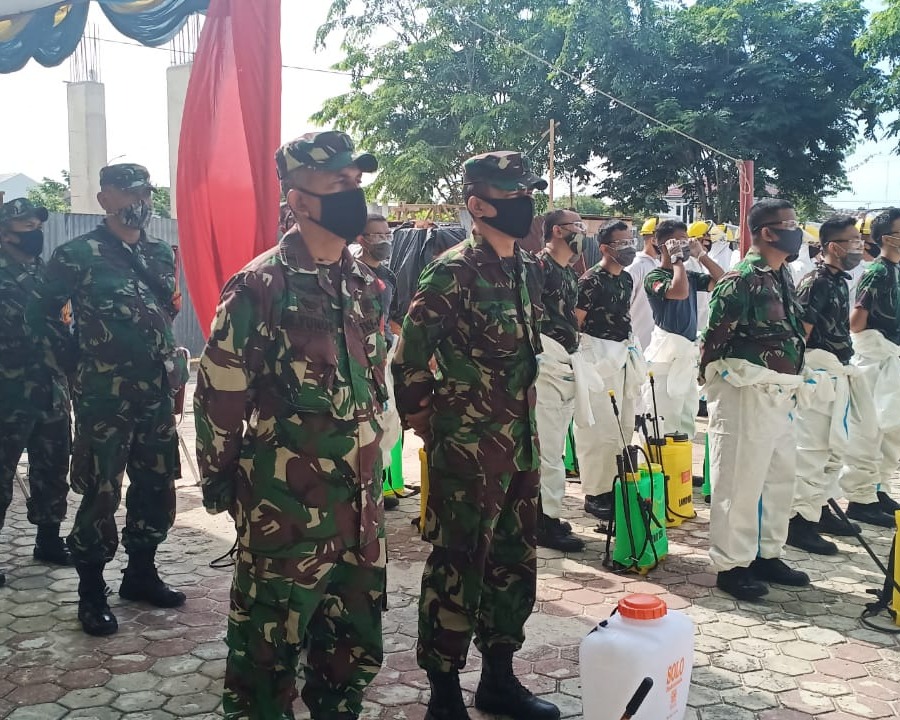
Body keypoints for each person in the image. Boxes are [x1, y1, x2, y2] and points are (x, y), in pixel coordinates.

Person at [195, 131, 388, 720]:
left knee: (351, 657)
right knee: (264, 663)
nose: (353, 195)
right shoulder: (261, 286)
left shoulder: (366, 287)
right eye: (338, 184)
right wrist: (221, 481)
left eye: (357, 183)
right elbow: (221, 393)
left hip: (361, 517)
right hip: (286, 517)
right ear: (300, 199)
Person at [393, 151, 559, 720]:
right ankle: (443, 694)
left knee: (514, 561)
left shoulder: (522, 268)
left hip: (519, 443)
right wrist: (429, 429)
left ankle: (498, 679)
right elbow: (408, 358)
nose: (525, 206)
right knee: (459, 562)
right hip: (467, 447)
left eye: (526, 194)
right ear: (478, 204)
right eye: (513, 196)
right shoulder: (454, 268)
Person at [27, 164, 186, 636]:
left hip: (155, 393)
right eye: (128, 191)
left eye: (146, 189)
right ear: (104, 200)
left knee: (156, 484)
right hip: (103, 398)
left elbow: (166, 310)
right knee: (100, 491)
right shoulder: (76, 254)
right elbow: (41, 313)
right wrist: (73, 361)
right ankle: (91, 592)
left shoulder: (160, 252)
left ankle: (141, 573)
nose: (140, 198)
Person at [700, 198, 809, 601]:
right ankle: (732, 564)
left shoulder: (782, 276)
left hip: (779, 393)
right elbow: (713, 340)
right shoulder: (740, 280)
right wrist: (724, 382)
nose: (797, 229)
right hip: (745, 391)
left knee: (778, 478)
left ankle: (766, 553)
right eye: (791, 222)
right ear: (767, 231)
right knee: (739, 481)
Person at [0, 198, 72, 586]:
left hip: (51, 390)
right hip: (7, 393)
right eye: (25, 225)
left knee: (52, 466)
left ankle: (48, 540)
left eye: (36, 224)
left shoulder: (48, 274)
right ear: (4, 232)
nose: (34, 231)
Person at [787, 215, 865, 555]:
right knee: (812, 450)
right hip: (817, 372)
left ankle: (820, 509)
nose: (859, 247)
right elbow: (800, 332)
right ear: (833, 246)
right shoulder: (815, 281)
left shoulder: (837, 279)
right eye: (852, 241)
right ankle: (798, 523)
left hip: (837, 370)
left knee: (834, 448)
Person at [573, 221, 645, 521]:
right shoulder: (590, 281)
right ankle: (595, 493)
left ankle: (615, 487)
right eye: (621, 244)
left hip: (623, 354)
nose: (629, 247)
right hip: (597, 356)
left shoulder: (626, 279)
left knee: (624, 424)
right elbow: (576, 322)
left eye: (631, 241)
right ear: (604, 248)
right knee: (598, 428)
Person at [838, 208, 900, 527]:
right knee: (868, 431)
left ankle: (879, 490)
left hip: (890, 357)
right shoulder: (877, 272)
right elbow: (857, 321)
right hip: (875, 359)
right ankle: (861, 499)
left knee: (889, 431)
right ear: (888, 238)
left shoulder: (895, 270)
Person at [534, 209, 587, 552]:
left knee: (555, 445)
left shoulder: (567, 271)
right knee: (548, 450)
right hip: (546, 362)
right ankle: (543, 521)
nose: (582, 232)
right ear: (557, 231)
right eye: (576, 227)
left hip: (564, 363)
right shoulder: (539, 267)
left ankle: (548, 513)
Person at [643, 219, 723, 438]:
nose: (682, 246)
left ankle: (681, 469)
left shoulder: (689, 276)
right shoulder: (655, 277)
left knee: (685, 418)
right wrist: (677, 260)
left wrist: (701, 256)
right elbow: (678, 292)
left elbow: (724, 282)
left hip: (685, 355)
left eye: (685, 241)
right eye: (677, 242)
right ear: (661, 246)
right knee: (661, 420)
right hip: (664, 360)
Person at [354, 213, 402, 510]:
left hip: (383, 357)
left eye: (387, 235)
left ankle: (379, 482)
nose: (384, 241)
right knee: (364, 424)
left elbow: (393, 318)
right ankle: (364, 488)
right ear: (361, 240)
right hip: (358, 360)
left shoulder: (388, 276)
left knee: (389, 422)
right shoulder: (351, 273)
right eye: (377, 236)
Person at [687, 220, 733, 332]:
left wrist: (701, 256)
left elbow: (722, 279)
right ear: (696, 241)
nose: (709, 244)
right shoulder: (687, 265)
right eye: (706, 240)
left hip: (702, 325)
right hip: (691, 328)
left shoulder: (702, 264)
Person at [626, 217, 661, 350]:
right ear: (654, 240)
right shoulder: (636, 266)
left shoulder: (658, 265)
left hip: (654, 344)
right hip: (636, 342)